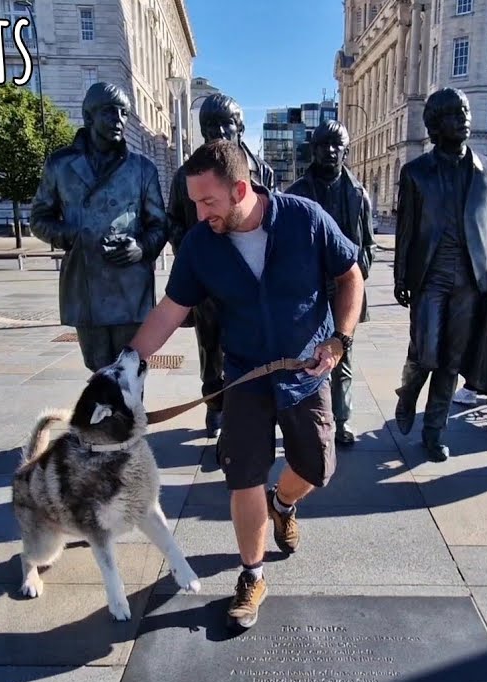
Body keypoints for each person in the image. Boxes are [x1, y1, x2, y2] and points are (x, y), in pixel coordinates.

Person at [129, 140, 364, 629]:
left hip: (305, 373)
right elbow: (170, 310)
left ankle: (284, 503)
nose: (200, 214)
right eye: (194, 202)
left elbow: (350, 276)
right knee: (243, 477)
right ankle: (252, 575)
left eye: (208, 201)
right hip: (244, 377)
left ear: (240, 190)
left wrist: (340, 339)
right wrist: (127, 363)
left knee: (317, 467)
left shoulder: (305, 219)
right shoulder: (200, 244)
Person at [393, 87, 487, 462]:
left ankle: (434, 432)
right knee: (426, 353)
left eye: (466, 112)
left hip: (471, 282)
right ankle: (408, 392)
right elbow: (406, 231)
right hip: (430, 277)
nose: (464, 119)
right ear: (435, 124)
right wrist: (400, 277)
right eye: (454, 114)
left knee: (451, 360)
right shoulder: (415, 172)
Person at [30, 82, 167, 371]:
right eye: (109, 112)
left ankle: (127, 405)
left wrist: (141, 248)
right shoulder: (60, 165)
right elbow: (39, 219)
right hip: (85, 284)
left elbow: (159, 225)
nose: (118, 120)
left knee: (129, 370)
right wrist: (72, 235)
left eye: (124, 113)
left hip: (130, 286)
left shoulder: (142, 169)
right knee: (97, 367)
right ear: (89, 116)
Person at [167, 93, 277, 438]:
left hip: (249, 280)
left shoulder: (262, 171)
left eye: (224, 125)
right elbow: (172, 220)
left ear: (239, 127)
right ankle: (214, 405)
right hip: (207, 283)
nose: (217, 132)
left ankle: (250, 408)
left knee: (252, 347)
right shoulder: (185, 176)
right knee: (210, 348)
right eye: (209, 126)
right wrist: (191, 253)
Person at [284, 119, 376, 445]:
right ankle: (307, 420)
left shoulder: (358, 194)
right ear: (314, 150)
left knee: (343, 356)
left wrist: (356, 273)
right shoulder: (296, 194)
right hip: (309, 291)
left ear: (346, 151)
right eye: (324, 144)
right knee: (306, 356)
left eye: (337, 145)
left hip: (344, 290)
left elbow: (368, 244)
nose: (331, 151)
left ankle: (342, 419)